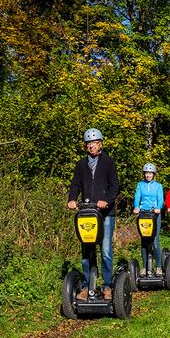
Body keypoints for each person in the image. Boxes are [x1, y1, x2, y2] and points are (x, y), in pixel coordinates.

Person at [67, 128, 119, 300]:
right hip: (87, 213)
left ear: (100, 144)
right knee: (87, 250)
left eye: (94, 143)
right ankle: (87, 286)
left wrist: (107, 201)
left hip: (105, 213)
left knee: (105, 250)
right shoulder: (81, 165)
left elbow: (114, 186)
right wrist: (72, 199)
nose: (91, 146)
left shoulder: (109, 162)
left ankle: (106, 285)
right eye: (88, 143)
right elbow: (75, 185)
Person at [132, 163, 164, 273]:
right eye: (146, 173)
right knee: (144, 241)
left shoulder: (158, 186)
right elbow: (137, 197)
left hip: (154, 214)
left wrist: (158, 208)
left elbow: (160, 199)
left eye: (150, 173)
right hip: (143, 214)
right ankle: (145, 266)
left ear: (153, 174)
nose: (148, 175)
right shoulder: (140, 185)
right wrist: (136, 207)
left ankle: (159, 266)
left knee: (155, 242)